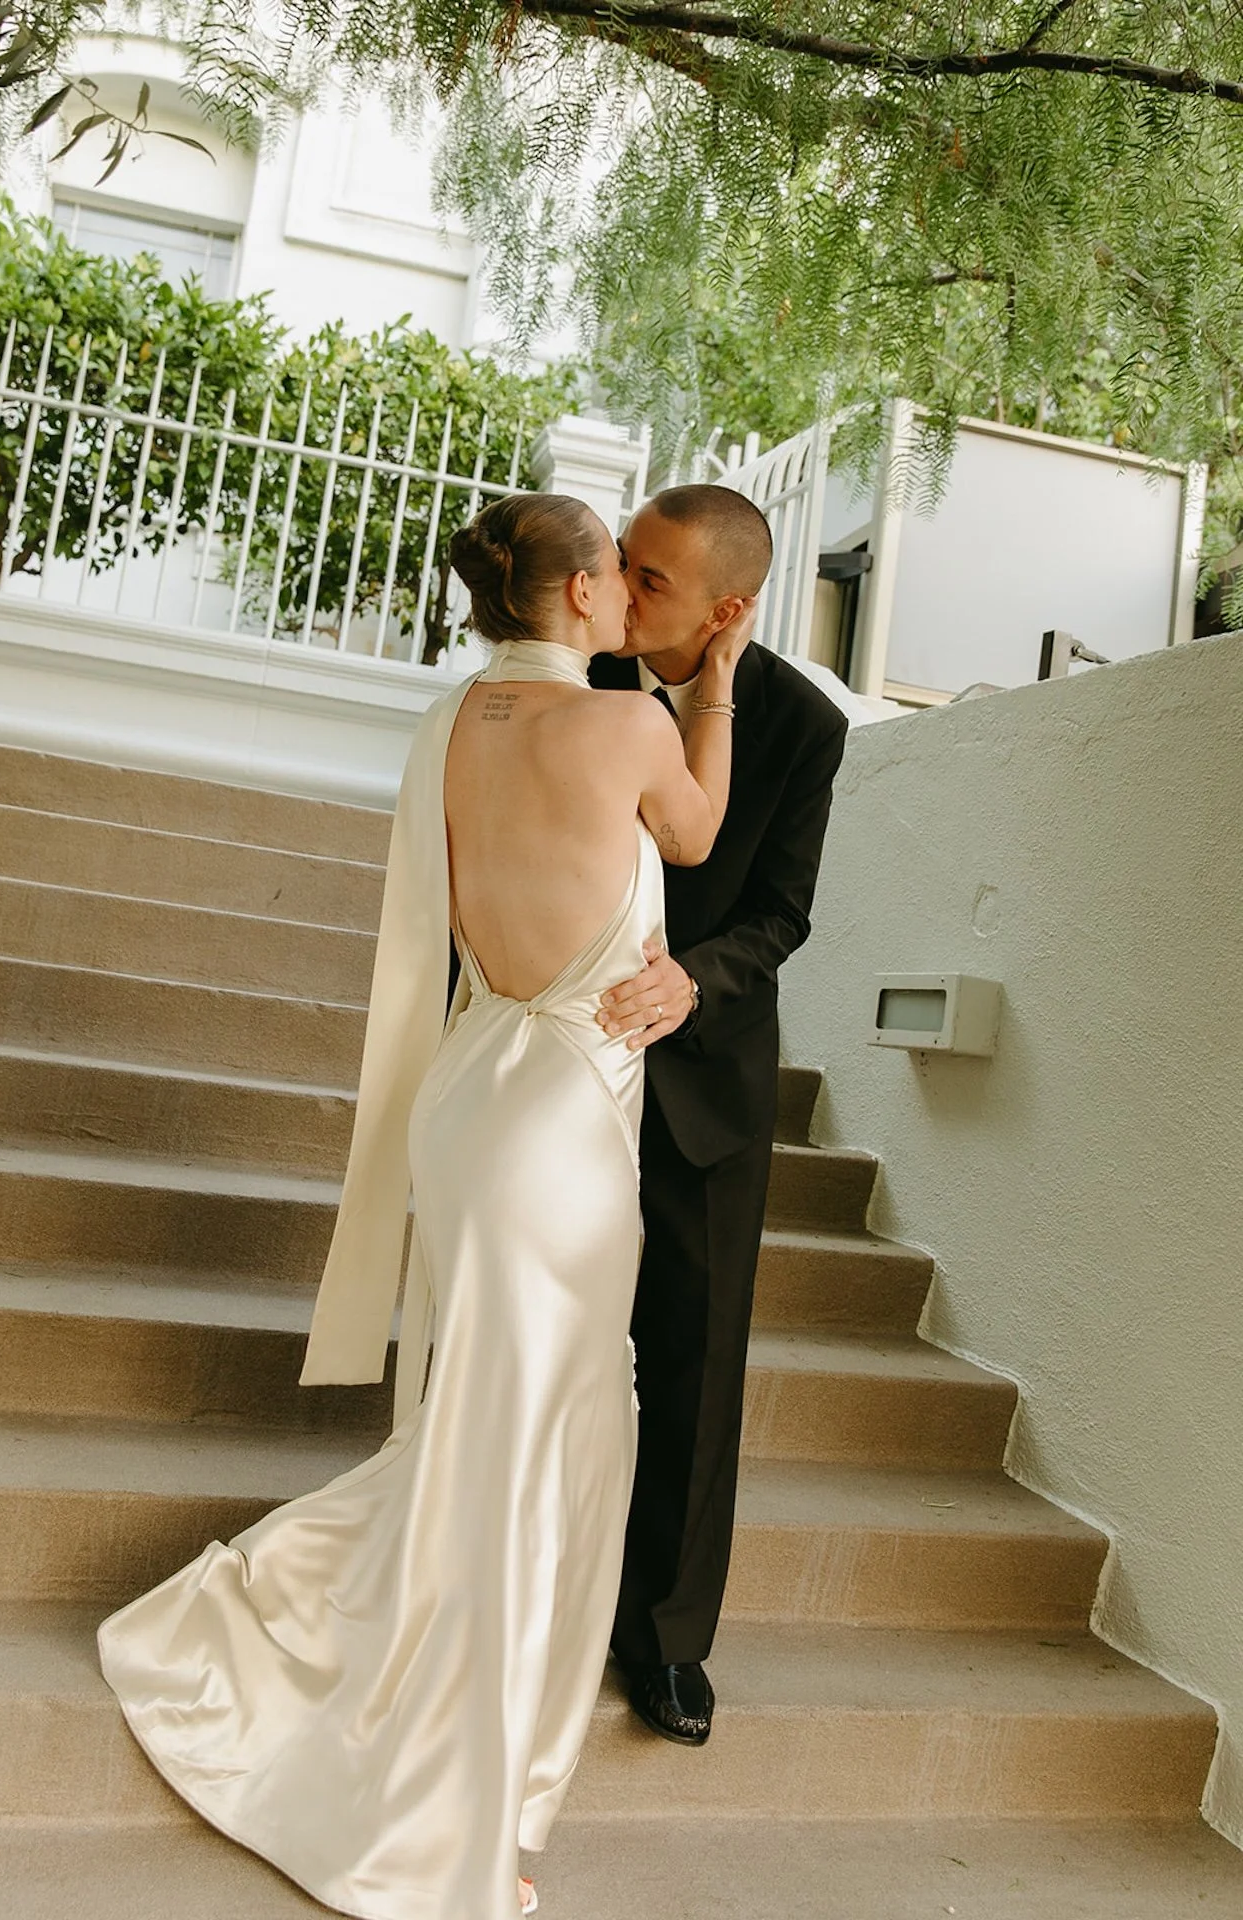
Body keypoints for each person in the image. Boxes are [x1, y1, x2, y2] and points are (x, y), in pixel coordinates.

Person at [96, 490, 755, 1920]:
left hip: (467, 1103)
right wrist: (713, 689)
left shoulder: (450, 725)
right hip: (563, 1130)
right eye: (618, 577)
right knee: (539, 1445)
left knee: (493, 1427)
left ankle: (476, 1755)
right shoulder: (634, 724)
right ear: (582, 597)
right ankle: (478, 1805)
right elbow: (694, 840)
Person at [590, 485, 849, 1746]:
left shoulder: (800, 723)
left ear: (727, 610)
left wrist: (694, 982)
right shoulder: (575, 674)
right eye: (619, 563)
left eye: (648, 580)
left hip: (707, 1084)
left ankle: (667, 1643)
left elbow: (783, 913)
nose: (616, 589)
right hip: (565, 1068)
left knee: (693, 1371)